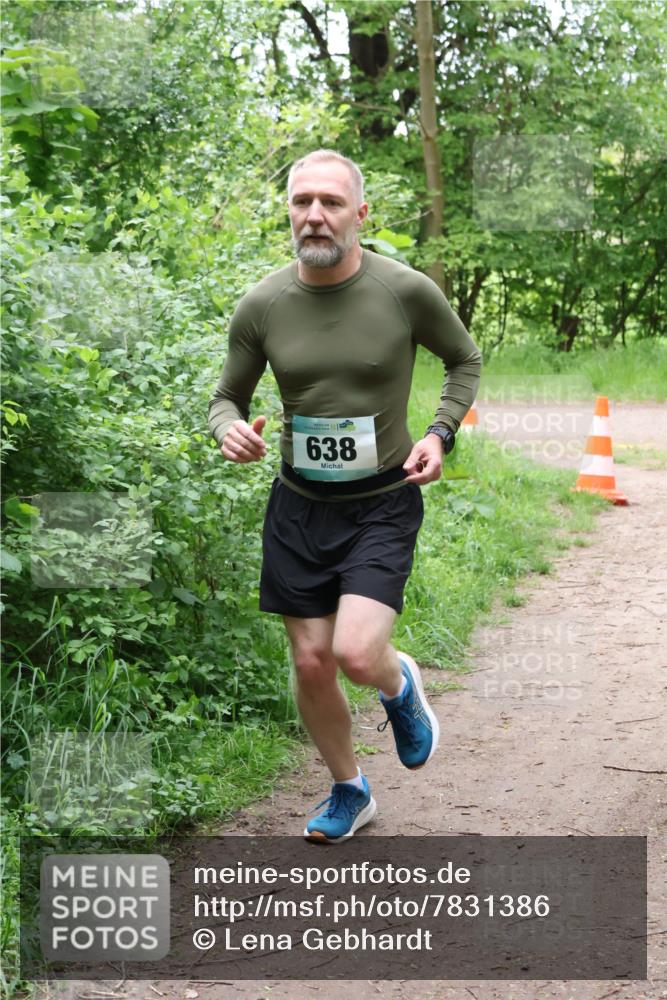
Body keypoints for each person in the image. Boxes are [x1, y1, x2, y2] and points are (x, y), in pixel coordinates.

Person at [208, 149, 481, 843]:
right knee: (309, 660)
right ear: (289, 212)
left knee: (357, 654)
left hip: (382, 500)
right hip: (298, 505)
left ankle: (398, 685)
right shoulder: (263, 304)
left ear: (360, 213)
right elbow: (225, 400)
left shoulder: (403, 290)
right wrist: (231, 430)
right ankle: (348, 789)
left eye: (330, 201)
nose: (314, 215)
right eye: (301, 201)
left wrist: (439, 433)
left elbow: (463, 358)